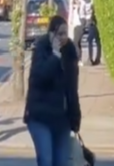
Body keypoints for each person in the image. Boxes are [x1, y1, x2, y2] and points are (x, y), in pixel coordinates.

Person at [25, 15, 81, 166]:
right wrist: (55, 55)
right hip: (40, 117)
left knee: (61, 162)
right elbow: (39, 77)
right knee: (46, 160)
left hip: (61, 120)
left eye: (65, 33)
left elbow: (72, 88)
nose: (63, 37)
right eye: (59, 34)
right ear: (51, 34)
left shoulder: (69, 52)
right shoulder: (42, 49)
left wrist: (75, 117)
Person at [72, 0, 85, 64]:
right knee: (77, 43)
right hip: (75, 26)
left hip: (79, 26)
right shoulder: (75, 8)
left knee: (75, 42)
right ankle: (79, 59)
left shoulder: (81, 8)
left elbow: (83, 4)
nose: (76, 1)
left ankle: (78, 59)